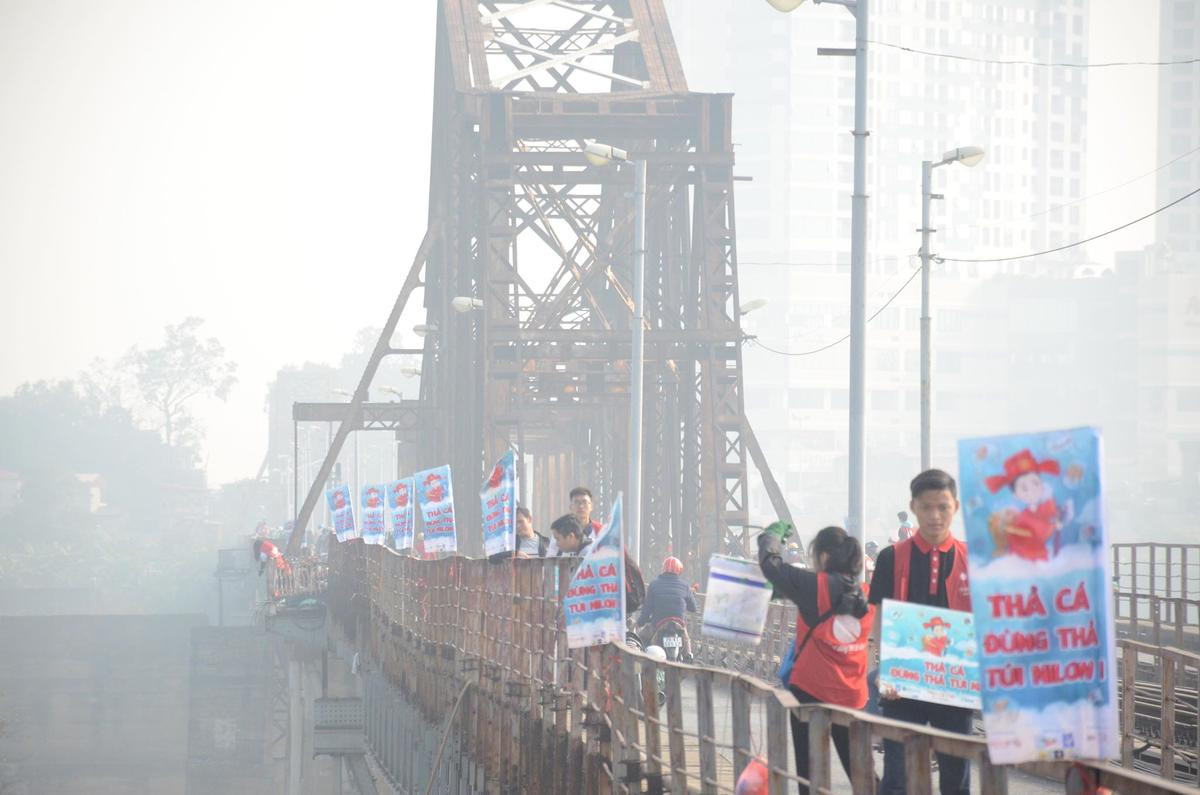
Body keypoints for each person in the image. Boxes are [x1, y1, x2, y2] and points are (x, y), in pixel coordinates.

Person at [869, 469, 973, 795]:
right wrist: (884, 668)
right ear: (913, 506)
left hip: (954, 685)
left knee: (956, 780)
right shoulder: (890, 557)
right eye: (926, 507)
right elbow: (880, 616)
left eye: (943, 507)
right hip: (902, 686)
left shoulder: (974, 560)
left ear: (956, 506)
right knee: (897, 777)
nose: (935, 516)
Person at [759, 522, 876, 795]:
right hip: (853, 698)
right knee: (862, 774)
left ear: (823, 557)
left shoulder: (814, 585)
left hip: (810, 694)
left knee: (810, 776)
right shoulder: (869, 593)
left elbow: (771, 565)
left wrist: (771, 537)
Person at [637, 556, 697, 660]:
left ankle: (643, 663)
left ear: (663, 569)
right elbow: (693, 608)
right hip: (679, 626)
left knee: (640, 637)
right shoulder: (685, 586)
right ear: (679, 570)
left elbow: (647, 609)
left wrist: (640, 622)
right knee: (686, 639)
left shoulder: (654, 585)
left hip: (658, 626)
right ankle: (689, 657)